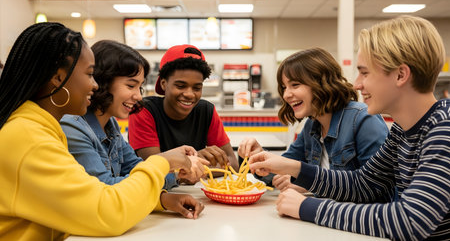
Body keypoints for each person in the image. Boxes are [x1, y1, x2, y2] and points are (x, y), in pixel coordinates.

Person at [247, 15, 450, 240]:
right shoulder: (402, 131)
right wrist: (294, 167)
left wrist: (307, 208)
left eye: (365, 72)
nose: (356, 84)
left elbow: (411, 221)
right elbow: (361, 184)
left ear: (400, 75)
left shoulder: (444, 127)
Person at [0, 23, 204, 241]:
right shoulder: (29, 137)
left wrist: (161, 196)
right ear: (59, 78)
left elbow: (102, 192)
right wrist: (163, 162)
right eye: (89, 75)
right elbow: (108, 211)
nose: (94, 86)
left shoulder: (39, 128)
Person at [238, 47, 388, 192]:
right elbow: (282, 171)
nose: (286, 95)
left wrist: (310, 184)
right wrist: (259, 157)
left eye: (295, 85)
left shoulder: (363, 119)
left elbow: (378, 189)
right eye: (284, 87)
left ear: (322, 83)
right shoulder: (312, 126)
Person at [60, 40, 207, 185]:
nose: (138, 96)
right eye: (131, 85)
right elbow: (105, 187)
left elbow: (135, 167)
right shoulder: (73, 127)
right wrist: (166, 161)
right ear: (103, 81)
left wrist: (177, 174)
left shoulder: (110, 125)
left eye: (140, 87)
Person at [128, 44, 239, 189]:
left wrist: (195, 170)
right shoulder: (143, 110)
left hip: (197, 199)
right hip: (157, 198)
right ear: (163, 84)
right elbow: (152, 167)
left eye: (197, 88)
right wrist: (194, 162)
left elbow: (233, 163)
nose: (189, 94)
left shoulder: (207, 110)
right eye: (180, 86)